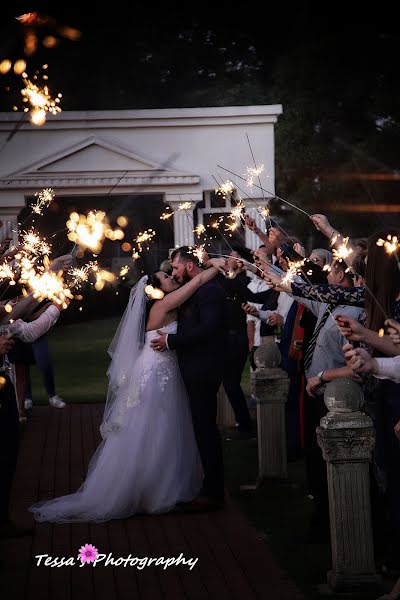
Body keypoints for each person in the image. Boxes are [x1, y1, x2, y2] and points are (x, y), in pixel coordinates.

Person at [29, 257, 227, 522]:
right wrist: (220, 264)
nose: (171, 278)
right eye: (166, 278)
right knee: (156, 428)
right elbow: (200, 279)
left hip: (160, 369)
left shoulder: (160, 304)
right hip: (156, 373)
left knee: (160, 429)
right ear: (154, 290)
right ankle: (150, 490)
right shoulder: (165, 303)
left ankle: (156, 487)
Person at [151, 247, 228, 510]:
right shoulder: (195, 289)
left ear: (190, 266)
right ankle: (209, 484)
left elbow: (207, 330)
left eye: (175, 268)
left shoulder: (210, 292)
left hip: (204, 370)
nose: (173, 273)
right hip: (193, 369)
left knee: (206, 429)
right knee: (200, 428)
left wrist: (172, 340)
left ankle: (214, 491)